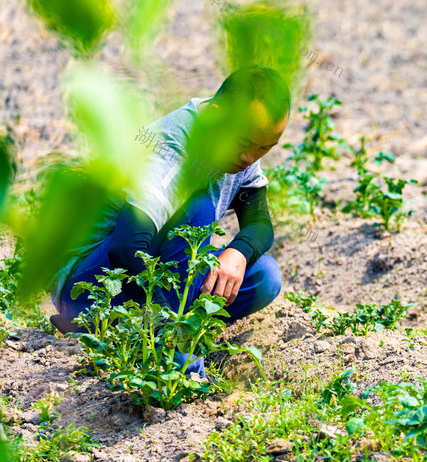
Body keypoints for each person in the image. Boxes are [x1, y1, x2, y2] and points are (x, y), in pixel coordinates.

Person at [48, 65, 290, 378]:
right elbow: (126, 248)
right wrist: (171, 325)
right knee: (198, 208)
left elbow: (259, 223)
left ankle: (141, 333)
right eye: (245, 143)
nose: (249, 158)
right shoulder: (171, 148)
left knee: (264, 276)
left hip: (145, 278)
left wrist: (238, 252)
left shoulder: (242, 145)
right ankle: (176, 357)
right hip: (89, 284)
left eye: (264, 148)